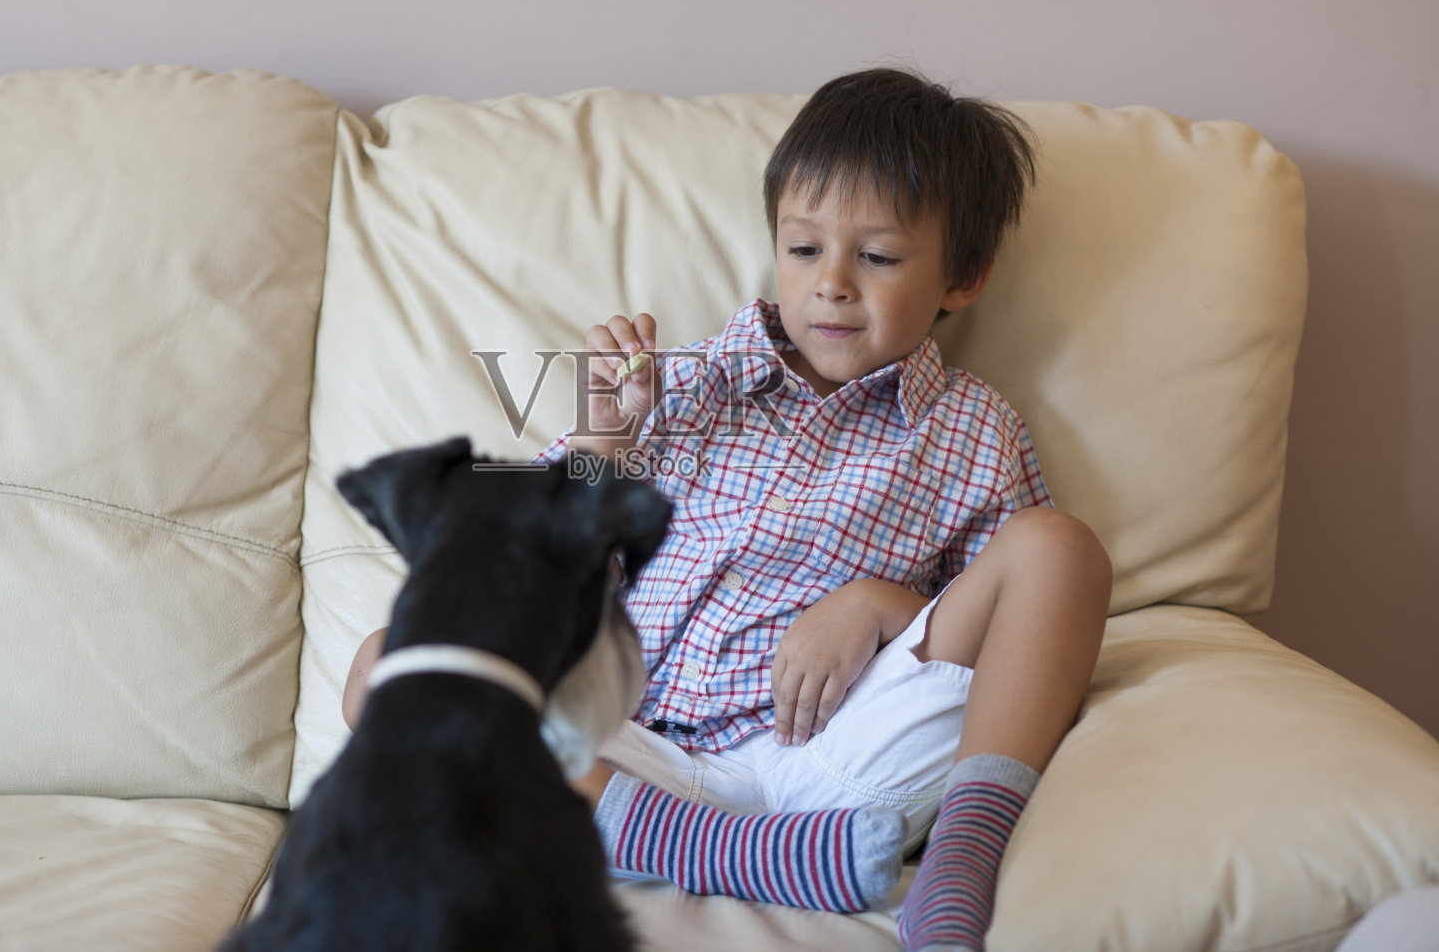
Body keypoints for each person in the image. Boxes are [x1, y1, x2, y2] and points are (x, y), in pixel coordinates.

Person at [344, 68, 1111, 952]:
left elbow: (1002, 630)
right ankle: (706, 848)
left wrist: (877, 606)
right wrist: (604, 441)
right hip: (624, 751)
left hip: (827, 760)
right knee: (386, 663)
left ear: (962, 277)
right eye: (804, 248)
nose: (831, 283)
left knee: (1059, 549)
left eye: (878, 257)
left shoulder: (973, 430)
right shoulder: (680, 383)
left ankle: (959, 866)